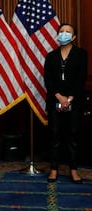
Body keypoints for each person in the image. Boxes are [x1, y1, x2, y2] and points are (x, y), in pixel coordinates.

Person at [44, 23, 88, 184]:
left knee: (73, 136)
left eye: (67, 32)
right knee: (54, 135)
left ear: (74, 37)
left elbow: (81, 78)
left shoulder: (81, 54)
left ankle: (74, 170)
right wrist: (59, 97)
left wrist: (69, 99)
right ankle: (54, 169)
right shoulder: (51, 56)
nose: (64, 34)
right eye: (61, 31)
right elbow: (47, 80)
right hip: (54, 100)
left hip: (74, 101)